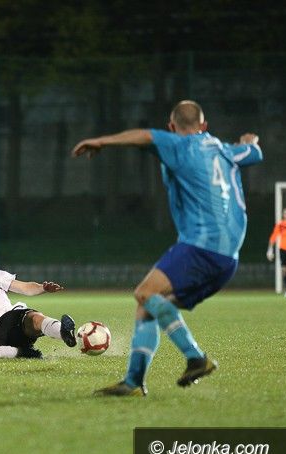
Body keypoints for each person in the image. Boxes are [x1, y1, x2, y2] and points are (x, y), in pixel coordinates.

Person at [71, 100, 263, 396]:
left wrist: (102, 141)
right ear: (204, 126)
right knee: (148, 305)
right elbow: (254, 152)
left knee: (145, 293)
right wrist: (249, 142)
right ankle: (133, 382)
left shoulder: (179, 144)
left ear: (172, 127)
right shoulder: (226, 150)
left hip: (202, 246)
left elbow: (144, 136)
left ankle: (195, 357)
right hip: (228, 258)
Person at [266, 207, 286, 297]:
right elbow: (273, 236)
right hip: (282, 249)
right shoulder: (280, 224)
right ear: (283, 215)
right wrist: (270, 249)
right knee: (284, 270)